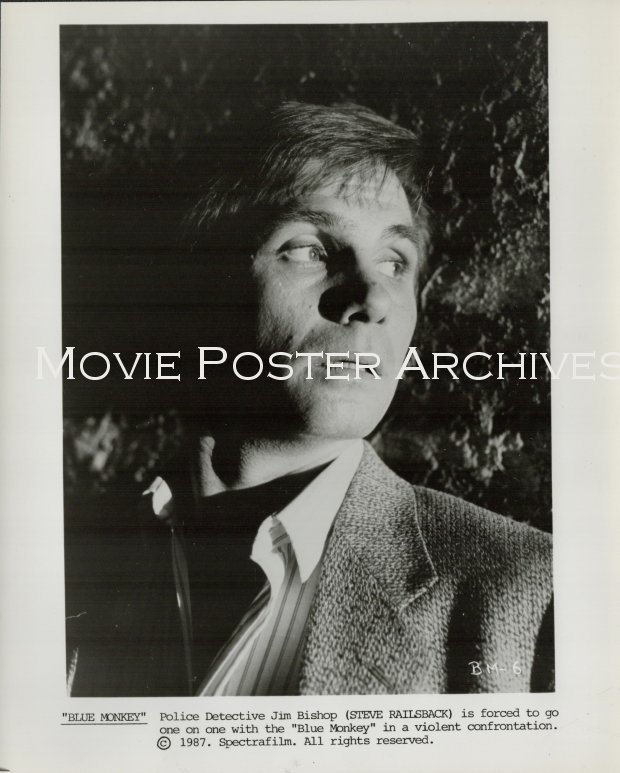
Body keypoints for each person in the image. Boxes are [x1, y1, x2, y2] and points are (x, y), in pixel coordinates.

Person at [65, 101, 553, 696]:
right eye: (309, 249)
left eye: (394, 262)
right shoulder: (62, 558)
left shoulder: (528, 594)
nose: (372, 297)